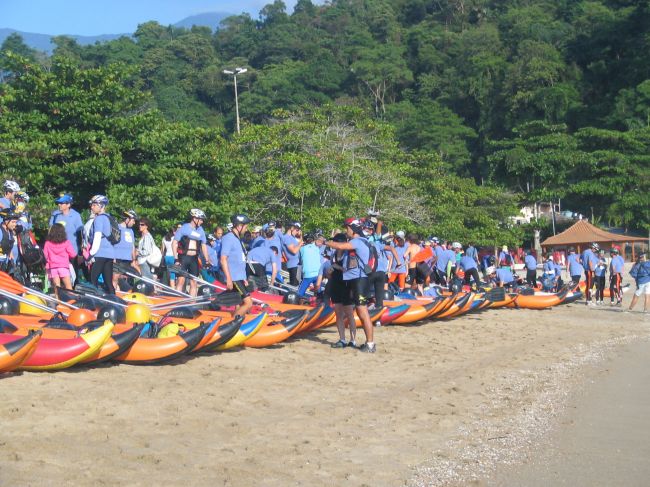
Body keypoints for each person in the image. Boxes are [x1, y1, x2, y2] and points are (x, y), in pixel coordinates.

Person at [324, 219, 376, 353]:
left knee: (363, 312)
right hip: (356, 279)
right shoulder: (362, 241)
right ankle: (368, 343)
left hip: (359, 279)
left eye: (347, 228)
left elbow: (341, 246)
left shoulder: (357, 242)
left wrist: (326, 242)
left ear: (353, 228)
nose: (346, 231)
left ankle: (370, 344)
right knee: (360, 311)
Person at [220, 214, 253, 317]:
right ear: (239, 226)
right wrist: (229, 279)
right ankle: (233, 323)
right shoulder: (228, 238)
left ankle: (239, 322)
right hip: (234, 278)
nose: (246, 229)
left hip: (239, 277)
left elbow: (240, 259)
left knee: (239, 303)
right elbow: (223, 259)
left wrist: (244, 277)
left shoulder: (238, 239)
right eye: (245, 227)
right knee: (248, 303)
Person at [173, 209, 209, 296]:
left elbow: (203, 245)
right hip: (184, 257)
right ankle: (176, 301)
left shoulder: (201, 230)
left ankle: (192, 304)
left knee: (194, 282)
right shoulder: (184, 228)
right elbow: (174, 243)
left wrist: (207, 259)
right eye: (200, 219)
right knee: (181, 280)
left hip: (194, 259)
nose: (202, 221)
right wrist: (176, 258)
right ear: (194, 219)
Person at [49, 193, 84, 280]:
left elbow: (80, 234)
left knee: (73, 274)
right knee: (58, 274)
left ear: (68, 204)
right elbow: (50, 232)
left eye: (61, 203)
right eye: (58, 203)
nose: (59, 205)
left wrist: (80, 253)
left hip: (72, 251)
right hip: (57, 251)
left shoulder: (76, 215)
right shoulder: (55, 215)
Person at [87, 195, 116, 294]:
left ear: (101, 205)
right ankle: (115, 302)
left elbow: (97, 237)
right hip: (110, 254)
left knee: (93, 280)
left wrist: (91, 254)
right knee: (108, 282)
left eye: (94, 205)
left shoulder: (98, 219)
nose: (92, 207)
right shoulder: (109, 218)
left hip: (100, 253)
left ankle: (92, 304)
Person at [43, 223, 76, 298]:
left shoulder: (47, 243)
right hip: (63, 267)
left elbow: (45, 256)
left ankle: (58, 303)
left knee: (57, 288)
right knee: (69, 288)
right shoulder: (66, 242)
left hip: (53, 268)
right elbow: (73, 254)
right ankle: (71, 302)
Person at [112, 210, 138, 291]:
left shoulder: (131, 231)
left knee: (133, 277)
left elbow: (132, 246)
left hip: (128, 259)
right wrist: (113, 257)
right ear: (127, 219)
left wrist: (134, 260)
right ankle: (114, 294)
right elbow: (112, 243)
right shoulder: (117, 227)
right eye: (133, 220)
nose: (134, 223)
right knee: (115, 277)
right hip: (118, 257)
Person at [283, 221, 303, 286]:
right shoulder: (286, 237)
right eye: (297, 230)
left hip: (297, 265)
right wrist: (300, 244)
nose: (298, 232)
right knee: (294, 286)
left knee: (297, 285)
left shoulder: (292, 238)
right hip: (292, 265)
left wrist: (301, 236)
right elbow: (294, 251)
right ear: (291, 228)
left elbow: (300, 243)